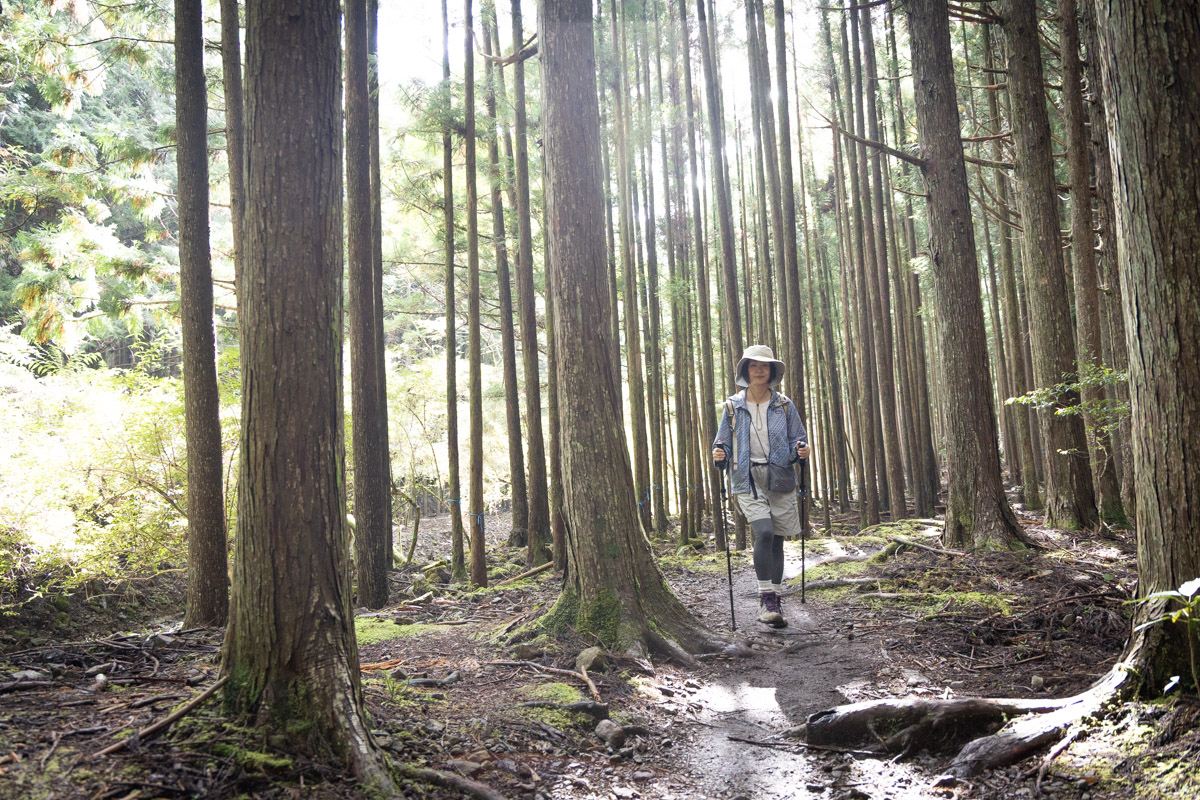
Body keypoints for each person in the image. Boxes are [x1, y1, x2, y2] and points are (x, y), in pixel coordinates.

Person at [712, 344, 810, 628]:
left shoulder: (784, 404)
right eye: (753, 366)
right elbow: (723, 444)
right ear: (746, 371)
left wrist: (801, 450)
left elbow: (797, 439)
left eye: (764, 366)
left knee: (778, 538)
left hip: (780, 476)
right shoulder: (733, 406)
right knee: (764, 532)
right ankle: (766, 597)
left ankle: (775, 600)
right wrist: (720, 454)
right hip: (747, 478)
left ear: (771, 372)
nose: (759, 370)